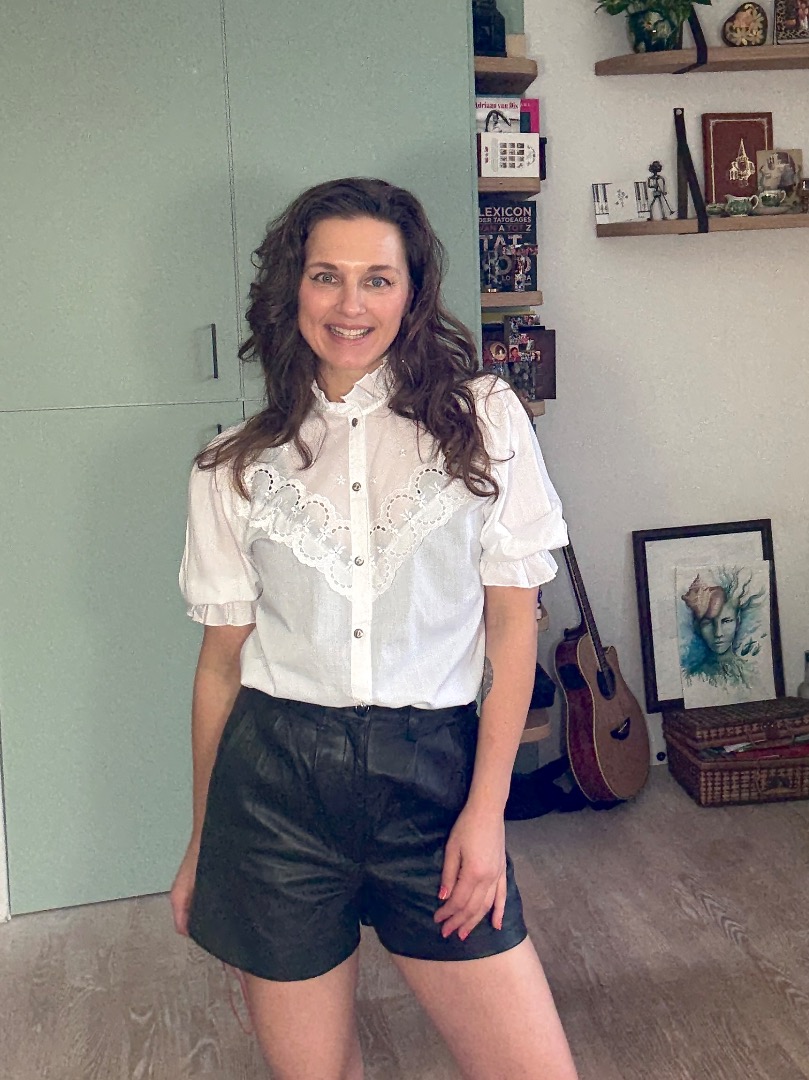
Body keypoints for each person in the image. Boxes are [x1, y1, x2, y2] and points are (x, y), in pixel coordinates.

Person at [170, 176, 578, 1080]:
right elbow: (220, 669)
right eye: (326, 276)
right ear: (293, 289)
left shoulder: (483, 422)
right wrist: (204, 842)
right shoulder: (232, 465)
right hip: (273, 791)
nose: (349, 305)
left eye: (377, 279)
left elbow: (512, 631)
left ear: (412, 291)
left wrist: (487, 813)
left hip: (432, 779)